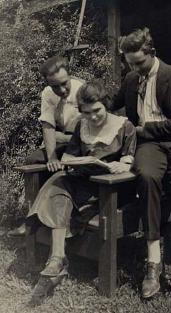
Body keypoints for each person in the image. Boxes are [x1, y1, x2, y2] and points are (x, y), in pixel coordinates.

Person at [112, 27, 171, 313]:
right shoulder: (130, 78)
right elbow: (110, 103)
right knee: (148, 177)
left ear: (151, 53)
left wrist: (143, 129)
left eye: (139, 63)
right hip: (150, 146)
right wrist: (83, 100)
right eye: (129, 63)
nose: (134, 69)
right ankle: (153, 263)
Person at [26, 80, 136, 291]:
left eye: (97, 111)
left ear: (106, 104)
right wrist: (71, 161)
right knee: (58, 183)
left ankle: (58, 260)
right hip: (82, 181)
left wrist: (118, 165)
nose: (92, 117)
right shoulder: (82, 126)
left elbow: (129, 161)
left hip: (108, 190)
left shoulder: (124, 126)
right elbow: (69, 155)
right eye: (86, 113)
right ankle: (57, 258)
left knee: (59, 189)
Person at [8, 55, 84, 236]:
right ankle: (33, 219)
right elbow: (48, 126)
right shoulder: (48, 94)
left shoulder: (82, 90)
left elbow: (87, 131)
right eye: (55, 86)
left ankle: (54, 217)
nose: (61, 89)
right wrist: (51, 156)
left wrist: (64, 138)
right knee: (34, 160)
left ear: (70, 76)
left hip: (80, 145)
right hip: (60, 141)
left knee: (64, 169)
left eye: (64, 83)